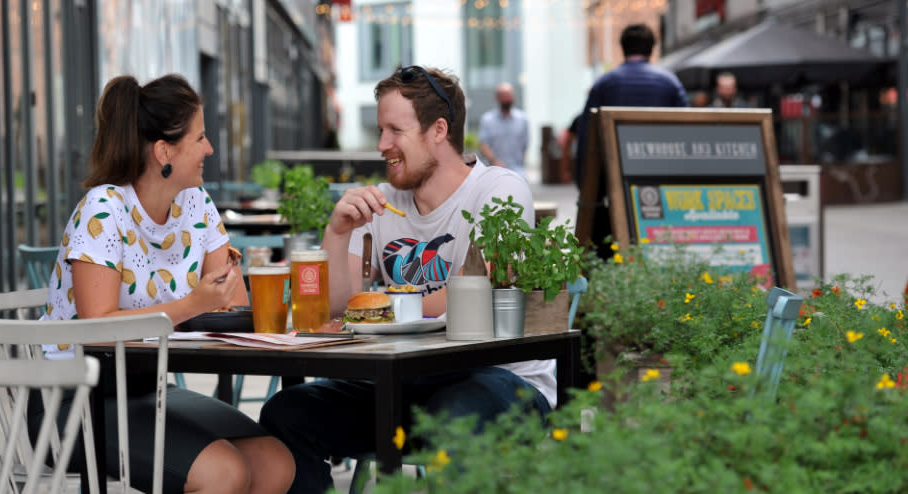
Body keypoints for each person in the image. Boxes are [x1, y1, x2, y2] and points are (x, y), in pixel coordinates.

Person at [258, 66, 553, 493]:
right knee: (288, 412)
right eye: (380, 130)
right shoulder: (382, 202)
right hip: (405, 383)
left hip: (501, 382)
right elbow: (338, 307)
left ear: (438, 130)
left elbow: (470, 300)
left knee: (455, 416)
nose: (382, 146)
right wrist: (337, 233)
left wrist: (378, 305)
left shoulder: (499, 191)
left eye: (395, 130)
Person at [32, 74, 294, 494]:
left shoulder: (197, 202)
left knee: (274, 463)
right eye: (201, 137)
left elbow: (232, 303)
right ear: (163, 151)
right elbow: (96, 326)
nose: (209, 149)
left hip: (146, 387)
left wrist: (221, 296)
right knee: (225, 473)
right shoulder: (104, 210)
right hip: (76, 397)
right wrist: (192, 303)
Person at [574, 23, 688, 186]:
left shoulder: (604, 84)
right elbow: (687, 130)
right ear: (652, 48)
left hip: (616, 176)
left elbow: (587, 134)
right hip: (662, 173)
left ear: (623, 48)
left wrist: (583, 181)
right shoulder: (670, 82)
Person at [478, 82, 529, 179]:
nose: (506, 99)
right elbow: (484, 144)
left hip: (518, 171)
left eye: (508, 95)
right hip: (494, 171)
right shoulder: (487, 119)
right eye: (503, 95)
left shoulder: (523, 119)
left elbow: (525, 145)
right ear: (496, 98)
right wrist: (495, 161)